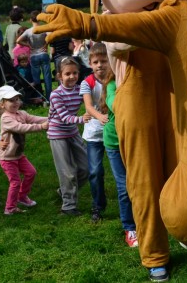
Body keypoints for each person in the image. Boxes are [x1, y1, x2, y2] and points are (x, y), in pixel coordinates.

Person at [47, 57, 91, 216]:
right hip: (57, 134)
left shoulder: (80, 90)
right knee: (68, 172)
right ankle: (68, 206)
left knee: (87, 168)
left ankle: (64, 190)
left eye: (75, 73)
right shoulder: (55, 95)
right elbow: (64, 117)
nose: (72, 76)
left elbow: (90, 102)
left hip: (72, 132)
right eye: (67, 74)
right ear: (59, 76)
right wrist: (82, 119)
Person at [100, 68, 138, 247]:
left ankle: (143, 221)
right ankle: (130, 228)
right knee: (124, 187)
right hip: (115, 143)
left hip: (135, 142)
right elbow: (116, 104)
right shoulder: (112, 85)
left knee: (139, 183)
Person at [0, 85, 48, 215]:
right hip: (7, 157)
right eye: (11, 100)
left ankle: (22, 196)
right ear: (2, 104)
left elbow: (35, 118)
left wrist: (51, 119)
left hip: (18, 155)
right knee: (15, 182)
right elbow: (21, 128)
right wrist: (41, 127)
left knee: (31, 173)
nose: (16, 102)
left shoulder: (21, 113)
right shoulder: (6, 118)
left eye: (17, 99)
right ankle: (10, 208)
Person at [79, 43, 110, 222]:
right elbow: (88, 106)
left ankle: (129, 203)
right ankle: (98, 205)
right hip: (94, 134)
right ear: (90, 64)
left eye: (103, 61)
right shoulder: (87, 82)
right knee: (95, 171)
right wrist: (100, 116)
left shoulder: (115, 79)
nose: (100, 65)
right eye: (96, 62)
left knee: (124, 170)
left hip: (115, 132)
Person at [16, 10, 53, 100]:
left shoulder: (28, 31)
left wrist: (28, 45)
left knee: (36, 79)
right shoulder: (44, 28)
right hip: (44, 54)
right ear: (40, 19)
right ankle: (49, 97)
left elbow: (18, 41)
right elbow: (51, 36)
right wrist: (46, 45)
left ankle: (39, 96)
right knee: (47, 77)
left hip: (34, 56)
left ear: (30, 20)